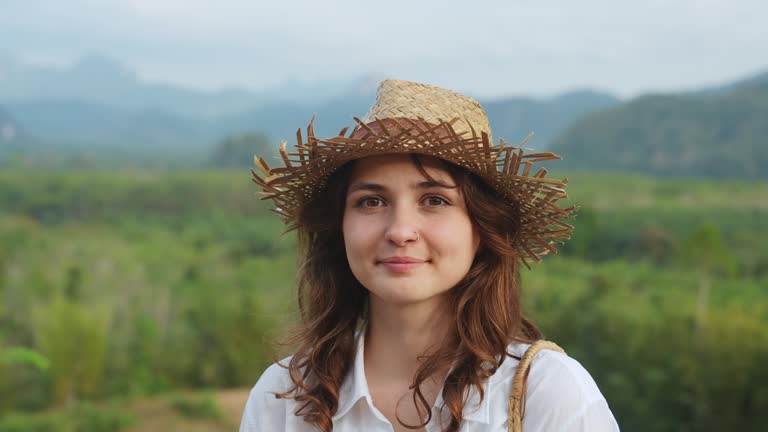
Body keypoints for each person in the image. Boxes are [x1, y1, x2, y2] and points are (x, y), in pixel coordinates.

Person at [240, 79, 619, 432]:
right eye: (371, 201)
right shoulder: (284, 399)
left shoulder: (547, 393)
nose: (401, 231)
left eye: (434, 200)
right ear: (339, 228)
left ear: (482, 230)